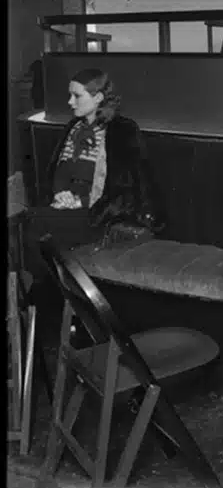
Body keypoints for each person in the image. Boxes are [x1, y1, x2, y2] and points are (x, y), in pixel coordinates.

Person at [25, 68, 164, 338]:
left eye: (76, 96)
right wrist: (61, 196)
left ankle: (50, 303)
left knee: (34, 225)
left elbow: (126, 189)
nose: (70, 102)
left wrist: (83, 202)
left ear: (98, 97)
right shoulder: (74, 128)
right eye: (70, 95)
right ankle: (67, 307)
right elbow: (58, 173)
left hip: (101, 216)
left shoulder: (122, 130)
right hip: (67, 210)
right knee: (34, 224)